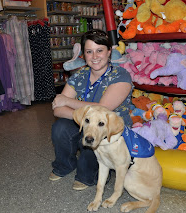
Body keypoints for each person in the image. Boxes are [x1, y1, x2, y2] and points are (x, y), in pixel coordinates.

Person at [50, 29, 133, 190]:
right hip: (86, 122)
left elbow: (103, 109)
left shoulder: (121, 76)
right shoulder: (80, 76)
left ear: (109, 52)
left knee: (94, 133)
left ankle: (93, 174)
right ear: (84, 55)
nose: (94, 57)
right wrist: (84, 119)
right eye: (89, 52)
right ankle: (65, 165)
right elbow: (57, 110)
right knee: (60, 127)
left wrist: (67, 101)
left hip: (110, 130)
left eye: (99, 51)